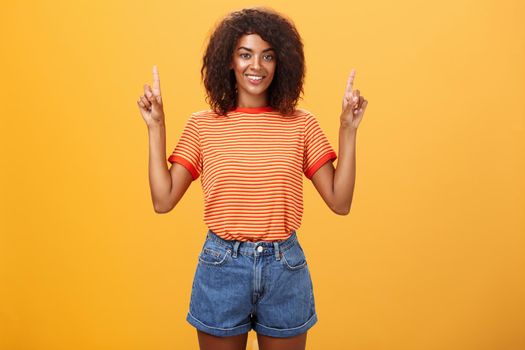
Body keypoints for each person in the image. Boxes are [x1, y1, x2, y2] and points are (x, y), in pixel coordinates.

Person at [136, 7, 368, 350]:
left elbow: (340, 201)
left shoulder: (302, 125)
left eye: (267, 56)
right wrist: (156, 127)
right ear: (229, 61)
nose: (256, 66)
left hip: (284, 269)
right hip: (221, 267)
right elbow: (163, 200)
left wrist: (348, 130)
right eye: (245, 55)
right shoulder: (202, 126)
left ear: (280, 63)